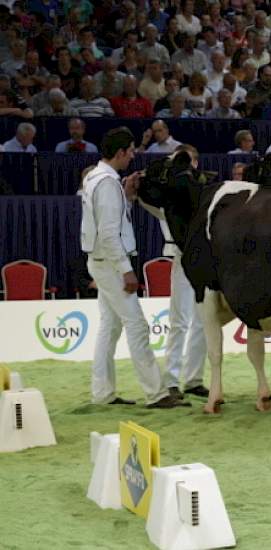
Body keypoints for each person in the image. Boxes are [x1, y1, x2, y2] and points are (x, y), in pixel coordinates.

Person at [79, 127, 187, 408]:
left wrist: (125, 197)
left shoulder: (96, 177)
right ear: (119, 153)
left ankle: (102, 393)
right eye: (130, 150)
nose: (133, 155)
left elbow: (109, 223)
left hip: (102, 261)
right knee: (137, 326)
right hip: (111, 264)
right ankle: (156, 393)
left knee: (110, 327)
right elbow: (109, 233)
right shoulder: (105, 183)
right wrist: (126, 269)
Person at [143, 145, 208, 400]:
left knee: (202, 320)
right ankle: (171, 380)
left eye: (192, 161)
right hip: (181, 257)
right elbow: (150, 202)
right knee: (179, 320)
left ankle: (194, 379)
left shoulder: (201, 192)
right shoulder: (168, 193)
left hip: (201, 258)